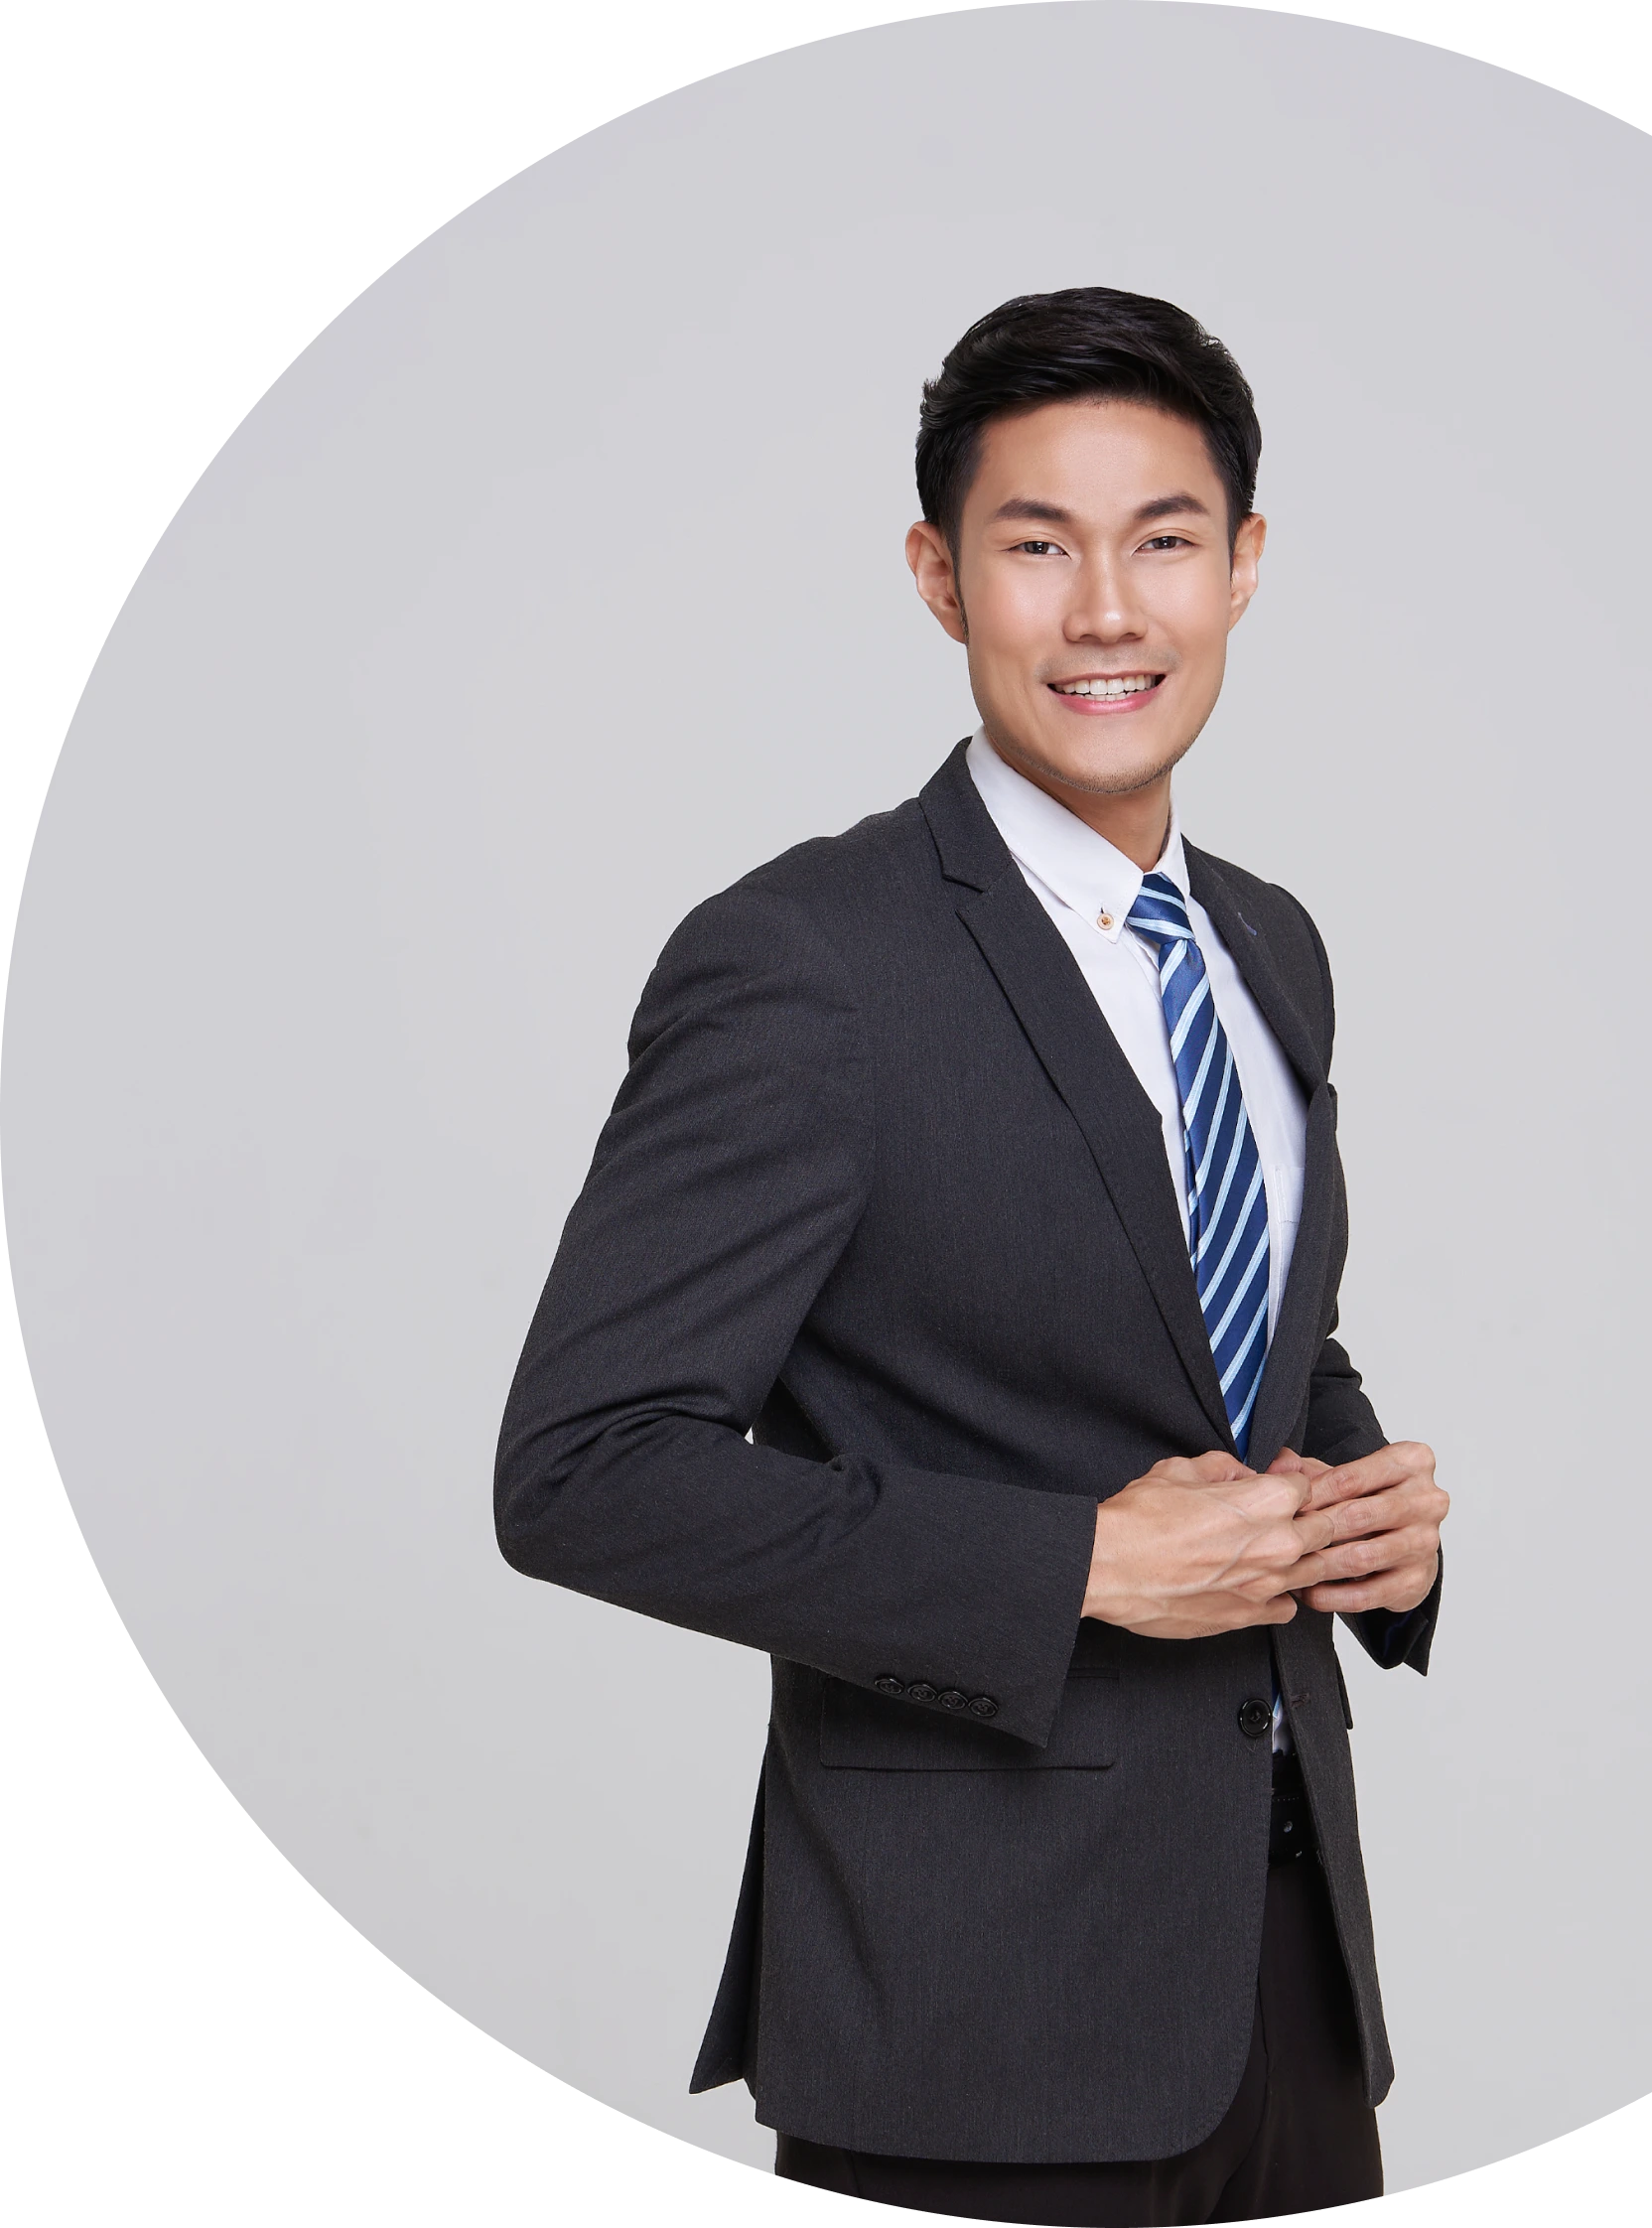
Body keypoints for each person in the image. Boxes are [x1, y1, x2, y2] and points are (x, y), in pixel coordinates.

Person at [494, 287, 1447, 2227]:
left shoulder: (1268, 942)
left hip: (1284, 1982)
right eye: (1036, 546)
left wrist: (1364, 1511)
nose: (1106, 610)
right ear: (940, 577)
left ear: (1242, 566)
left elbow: (1246, 1340)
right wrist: (1078, 1564)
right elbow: (584, 1471)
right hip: (972, 2016)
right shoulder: (808, 965)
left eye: (1162, 540)